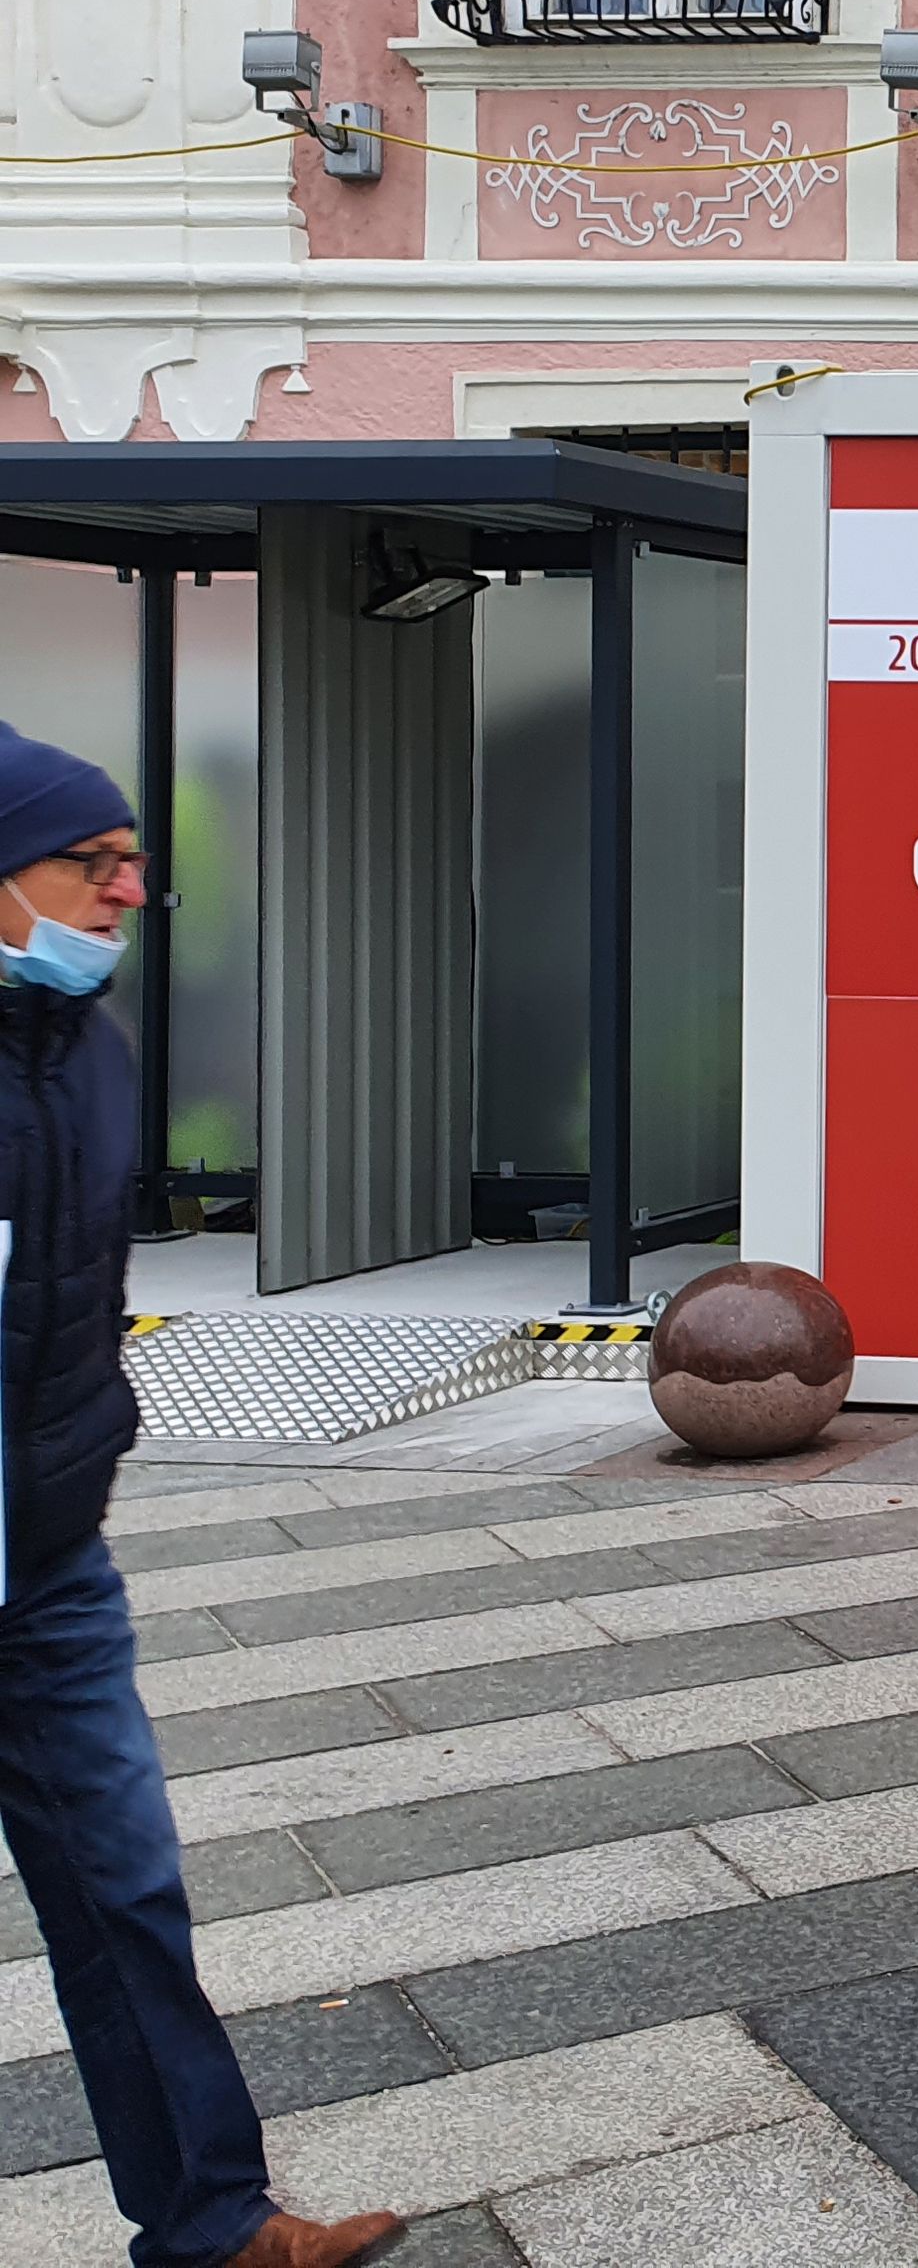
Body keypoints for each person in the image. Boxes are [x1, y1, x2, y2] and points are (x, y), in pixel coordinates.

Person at [0, 723, 400, 2268]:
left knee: (125, 1895)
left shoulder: (86, 1053)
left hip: (45, 1563)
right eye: (89, 863)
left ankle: (216, 2227)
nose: (129, 889)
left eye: (128, 859)